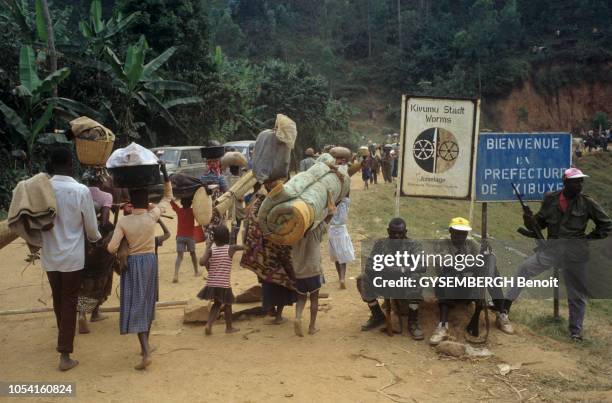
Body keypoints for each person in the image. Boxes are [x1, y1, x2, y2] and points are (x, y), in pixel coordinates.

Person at [504, 168, 611, 341]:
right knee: (524, 268)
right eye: (576, 181)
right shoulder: (551, 199)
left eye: (581, 181)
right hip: (552, 249)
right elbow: (539, 223)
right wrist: (529, 220)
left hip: (575, 253)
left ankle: (575, 332)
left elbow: (606, 225)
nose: (580, 184)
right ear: (566, 183)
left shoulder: (587, 202)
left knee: (576, 293)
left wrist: (587, 238)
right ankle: (505, 305)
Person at [107, 162, 172, 370]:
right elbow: (168, 197)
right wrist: (164, 173)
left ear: (130, 203)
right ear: (147, 201)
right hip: (150, 261)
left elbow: (111, 248)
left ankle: (145, 352)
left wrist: (122, 248)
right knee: (146, 303)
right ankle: (146, 346)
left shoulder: (124, 222)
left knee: (135, 306)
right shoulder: (152, 216)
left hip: (133, 264)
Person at [41, 147, 101, 371]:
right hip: (73, 257)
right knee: (69, 301)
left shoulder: (43, 188)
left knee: (58, 299)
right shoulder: (80, 190)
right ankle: (64, 354)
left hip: (50, 256)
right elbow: (91, 229)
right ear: (70, 164)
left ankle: (63, 338)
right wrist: (97, 239)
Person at [241, 180, 297, 325]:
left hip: (266, 254)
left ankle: (273, 310)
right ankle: (277, 314)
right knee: (281, 283)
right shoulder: (268, 203)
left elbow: (251, 221)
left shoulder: (259, 203)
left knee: (270, 283)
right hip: (274, 252)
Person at [358, 218, 424, 339]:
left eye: (400, 233)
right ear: (388, 231)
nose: (397, 236)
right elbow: (369, 266)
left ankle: (413, 322)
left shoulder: (413, 245)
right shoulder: (381, 244)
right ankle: (377, 315)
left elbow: (421, 265)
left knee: (416, 278)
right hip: (384, 282)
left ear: (406, 232)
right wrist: (385, 269)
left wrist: (401, 270)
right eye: (393, 233)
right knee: (362, 279)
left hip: (404, 285)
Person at [77, 168, 116, 334]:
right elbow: (105, 222)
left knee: (84, 276)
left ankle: (81, 312)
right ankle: (94, 312)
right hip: (99, 241)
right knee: (102, 275)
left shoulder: (80, 193)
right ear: (101, 181)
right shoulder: (106, 196)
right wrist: (115, 228)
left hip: (79, 240)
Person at [292, 209, 334, 337]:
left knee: (301, 298)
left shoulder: (293, 236)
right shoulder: (316, 232)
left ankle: (298, 317)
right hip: (313, 271)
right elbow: (328, 219)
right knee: (314, 299)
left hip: (299, 272)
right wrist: (331, 208)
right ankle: (311, 327)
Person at [197, 224, 243, 335]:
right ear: (227, 237)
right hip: (224, 284)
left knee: (216, 304)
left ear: (214, 238)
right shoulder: (231, 248)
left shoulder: (212, 250)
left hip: (212, 283)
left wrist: (208, 247)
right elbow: (245, 247)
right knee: (228, 304)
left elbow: (202, 262)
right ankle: (229, 328)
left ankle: (208, 324)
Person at [328, 157, 355, 289]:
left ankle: (340, 277)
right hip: (342, 230)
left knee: (336, 257)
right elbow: (347, 189)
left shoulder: (331, 204)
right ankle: (343, 278)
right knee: (343, 256)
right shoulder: (345, 202)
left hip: (332, 230)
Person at [170, 197, 198, 283]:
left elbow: (172, 202)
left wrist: (170, 196)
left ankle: (175, 274)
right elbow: (200, 212)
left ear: (181, 203)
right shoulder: (193, 211)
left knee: (179, 256)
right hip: (190, 236)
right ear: (190, 203)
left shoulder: (179, 210)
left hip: (180, 236)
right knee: (193, 254)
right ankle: (196, 271)